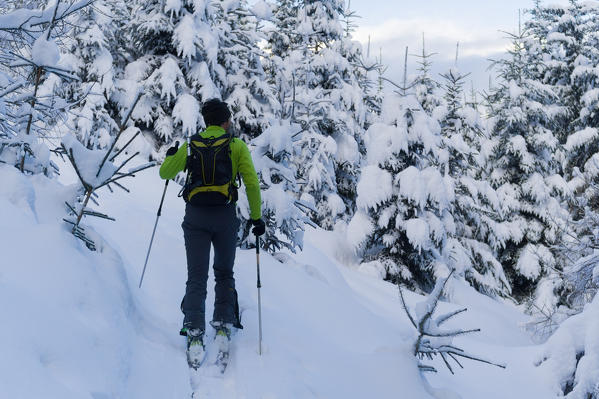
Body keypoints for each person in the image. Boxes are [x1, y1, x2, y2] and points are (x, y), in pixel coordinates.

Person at [159, 98, 265, 368]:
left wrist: (172, 157)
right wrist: (256, 218)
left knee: (196, 275)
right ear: (226, 121)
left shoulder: (191, 144)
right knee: (223, 272)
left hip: (195, 217)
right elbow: (251, 183)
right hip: (225, 217)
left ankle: (194, 331)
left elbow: (164, 173)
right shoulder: (236, 145)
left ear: (206, 121)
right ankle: (222, 322)